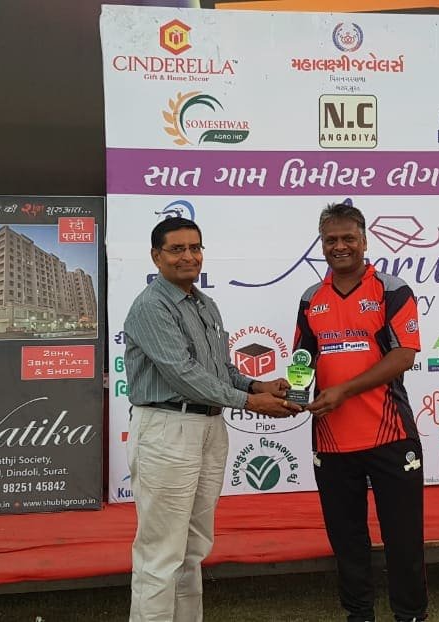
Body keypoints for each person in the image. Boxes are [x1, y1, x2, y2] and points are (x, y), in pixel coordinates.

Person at [123, 216, 299, 622]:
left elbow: (218, 369)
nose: (188, 256)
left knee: (194, 547)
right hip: (168, 428)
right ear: (156, 256)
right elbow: (182, 374)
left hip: (208, 427)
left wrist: (257, 385)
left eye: (195, 247)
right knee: (161, 553)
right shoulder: (151, 305)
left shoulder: (205, 304)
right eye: (177, 249)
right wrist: (250, 402)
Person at [293, 202, 428, 622]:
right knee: (346, 537)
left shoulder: (391, 290)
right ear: (321, 244)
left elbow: (403, 355)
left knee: (403, 536)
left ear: (364, 241)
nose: (340, 246)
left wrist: (344, 391)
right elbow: (303, 359)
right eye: (330, 239)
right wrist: (291, 394)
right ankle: (359, 614)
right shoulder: (310, 298)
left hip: (390, 434)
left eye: (348, 238)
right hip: (332, 438)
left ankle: (410, 614)